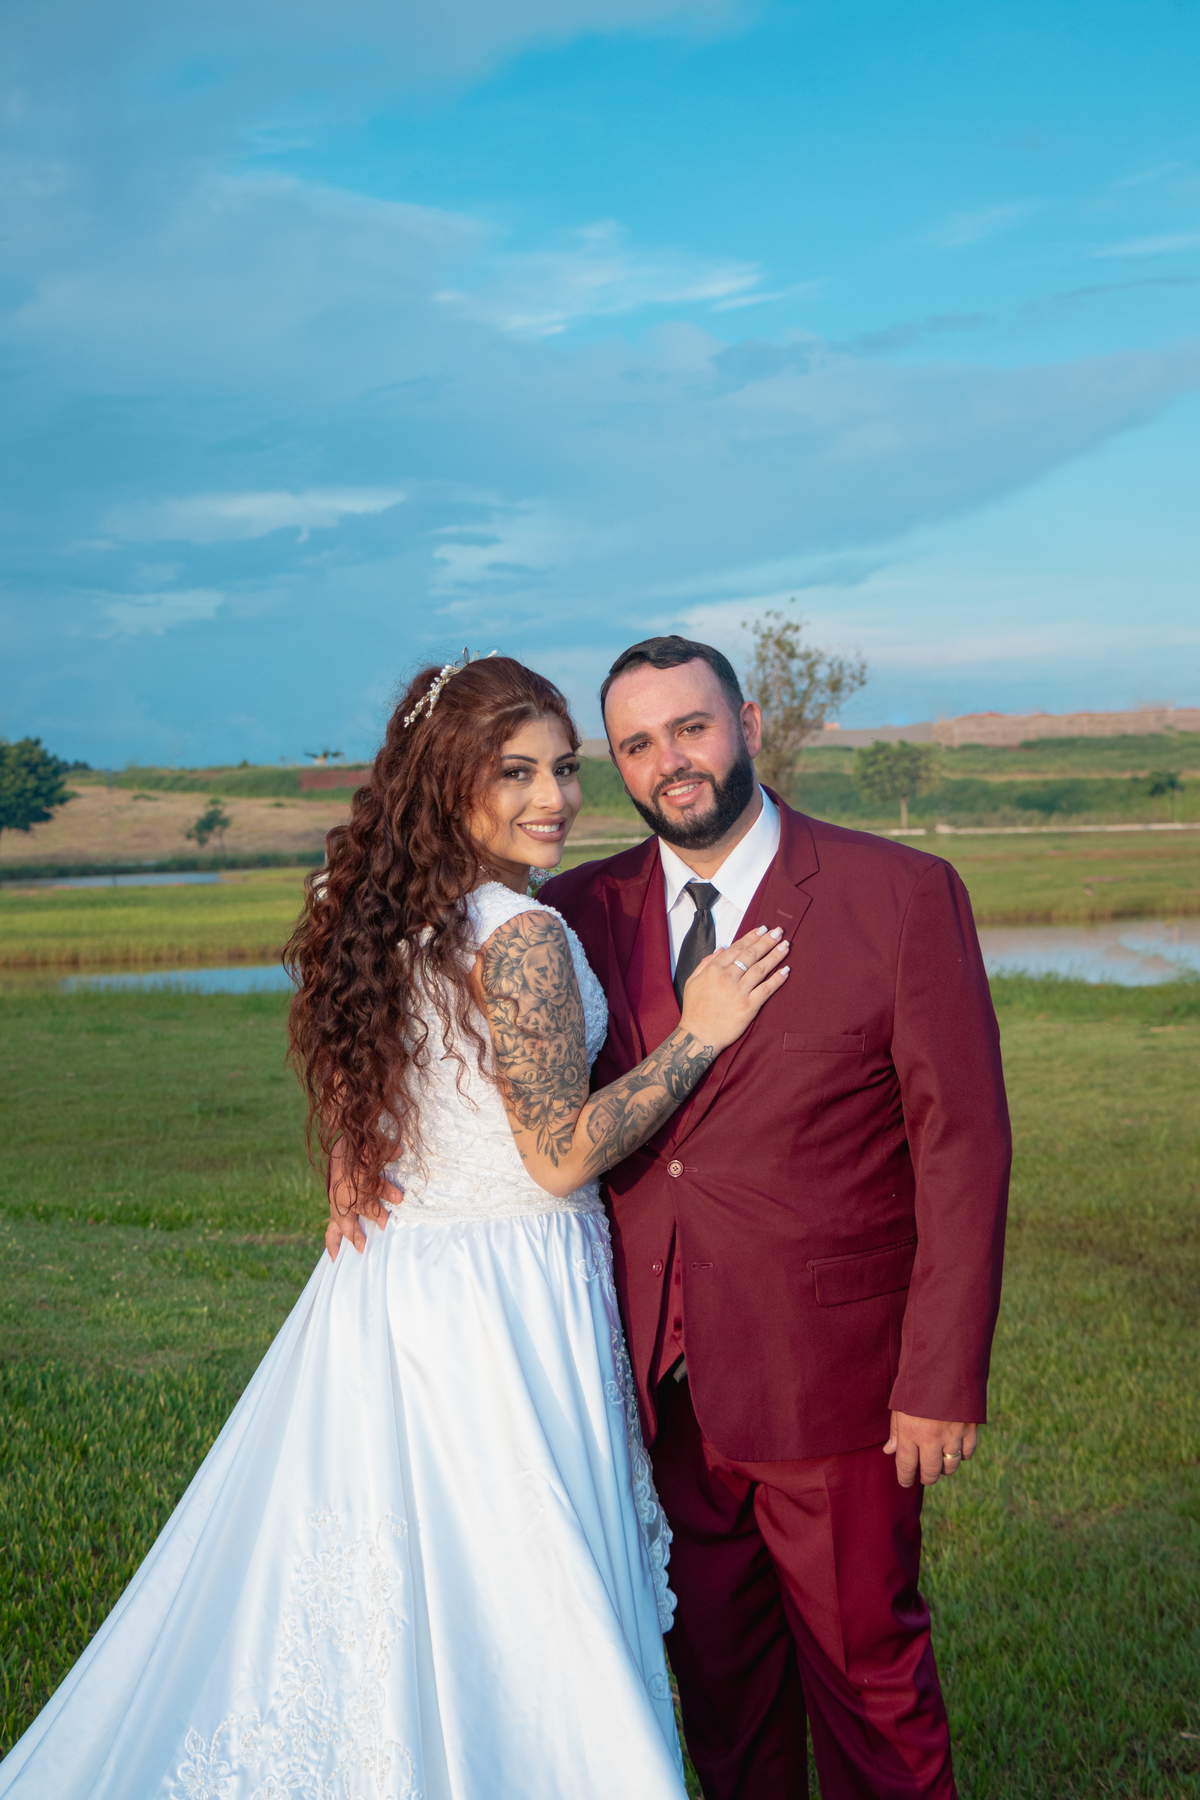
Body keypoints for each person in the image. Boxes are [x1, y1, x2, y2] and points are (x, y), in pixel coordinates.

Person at [0, 653, 790, 1800]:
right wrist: (700, 1029)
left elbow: (363, 1082)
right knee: (516, 1582)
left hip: (396, 1287)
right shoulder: (517, 933)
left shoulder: (376, 912)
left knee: (407, 1574)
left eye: (565, 769)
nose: (553, 800)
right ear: (446, 779)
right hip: (507, 1296)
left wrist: (350, 1163)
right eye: (514, 772)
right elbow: (559, 1151)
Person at [540, 635, 1011, 1800]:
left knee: (869, 1687)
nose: (670, 762)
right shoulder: (574, 910)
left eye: (689, 728)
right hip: (658, 1397)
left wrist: (940, 1376)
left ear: (746, 722)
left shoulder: (897, 896)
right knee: (722, 1699)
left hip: (836, 1384)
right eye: (637, 745)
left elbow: (964, 1148)